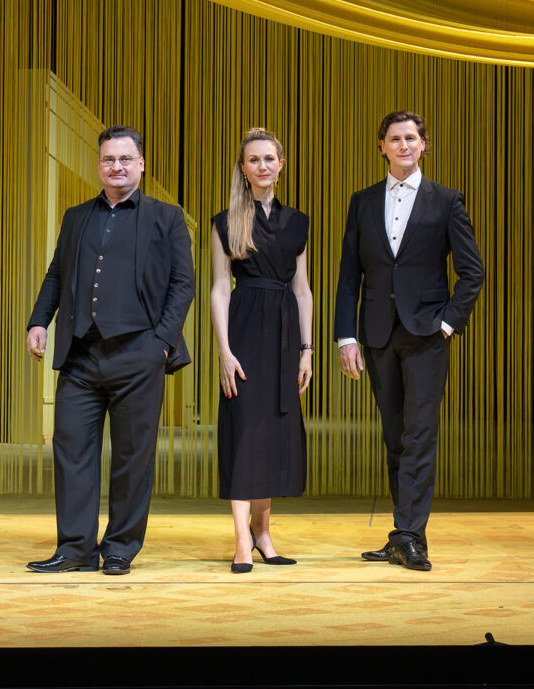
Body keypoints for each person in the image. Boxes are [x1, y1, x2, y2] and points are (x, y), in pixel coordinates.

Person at [25, 125, 195, 575]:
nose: (115, 167)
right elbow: (56, 275)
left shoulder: (166, 217)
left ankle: (120, 546)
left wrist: (161, 342)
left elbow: (183, 284)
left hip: (139, 353)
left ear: (141, 164)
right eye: (107, 160)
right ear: (98, 165)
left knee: (132, 456)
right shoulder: (77, 216)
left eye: (124, 159)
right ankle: (75, 548)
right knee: (71, 451)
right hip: (81, 355)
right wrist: (39, 320)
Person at [335, 110, 484, 571]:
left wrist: (447, 324)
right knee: (395, 436)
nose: (403, 145)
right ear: (382, 145)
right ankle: (403, 532)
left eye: (411, 138)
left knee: (419, 435)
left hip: (426, 335)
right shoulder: (362, 201)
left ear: (424, 145)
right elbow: (348, 278)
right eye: (395, 139)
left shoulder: (446, 201)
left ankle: (411, 534)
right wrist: (346, 337)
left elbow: (472, 272)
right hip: (378, 333)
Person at [209, 128, 313, 574]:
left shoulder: (298, 222)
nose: (263, 166)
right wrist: (224, 352)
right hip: (245, 329)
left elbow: (303, 289)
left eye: (270, 158)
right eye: (254, 160)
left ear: (281, 164)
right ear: (243, 168)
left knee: (272, 434)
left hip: (286, 335)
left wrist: (307, 350)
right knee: (244, 431)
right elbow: (218, 289)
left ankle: (264, 534)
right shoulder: (225, 220)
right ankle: (240, 541)